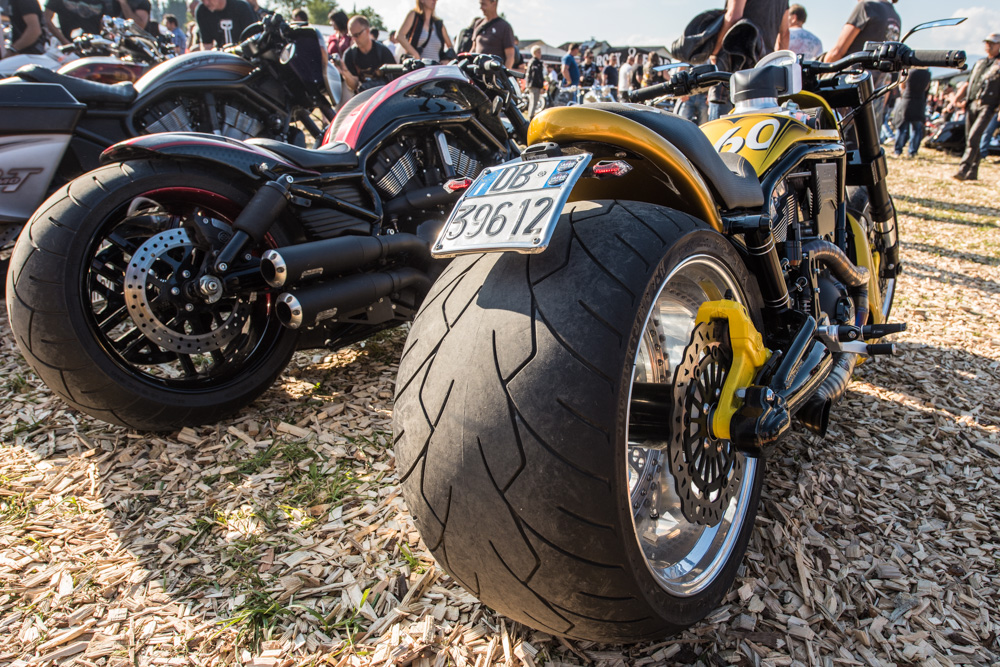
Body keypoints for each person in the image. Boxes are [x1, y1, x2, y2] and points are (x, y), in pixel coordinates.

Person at [707, 0, 790, 120]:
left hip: (732, 67)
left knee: (721, 127)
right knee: (759, 126)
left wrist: (714, 53)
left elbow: (733, 16)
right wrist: (775, 64)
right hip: (764, 74)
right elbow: (784, 34)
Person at [950, 33, 1000, 181]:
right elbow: (968, 83)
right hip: (971, 103)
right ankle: (973, 172)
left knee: (974, 136)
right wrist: (956, 99)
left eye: (992, 43)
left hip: (988, 105)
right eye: (987, 43)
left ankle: (963, 170)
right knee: (971, 138)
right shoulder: (980, 62)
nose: (989, 46)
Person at [335, 14, 396, 93]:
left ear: (367, 31)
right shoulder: (350, 55)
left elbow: (395, 80)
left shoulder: (382, 51)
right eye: (351, 36)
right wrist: (345, 72)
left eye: (357, 35)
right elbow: (353, 86)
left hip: (384, 94)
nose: (354, 39)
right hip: (364, 96)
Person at [892, 67, 930, 158]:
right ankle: (912, 152)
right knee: (916, 129)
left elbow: (902, 85)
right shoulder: (927, 73)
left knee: (902, 127)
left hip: (907, 99)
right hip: (919, 101)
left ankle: (898, 150)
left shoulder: (909, 71)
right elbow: (926, 88)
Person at [470, 0, 515, 68]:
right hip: (478, 71)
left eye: (484, 4)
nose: (481, 8)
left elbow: (510, 56)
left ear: (494, 2)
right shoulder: (478, 24)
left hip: (495, 72)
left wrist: (504, 73)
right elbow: (473, 48)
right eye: (480, 4)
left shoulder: (504, 26)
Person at [43, 0, 107, 45]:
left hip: (96, 45)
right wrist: (64, 41)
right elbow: (46, 19)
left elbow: (105, 22)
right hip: (70, 48)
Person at [525, 44, 545, 118]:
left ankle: (531, 115)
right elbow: (536, 75)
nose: (540, 54)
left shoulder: (533, 62)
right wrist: (541, 86)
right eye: (538, 52)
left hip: (532, 84)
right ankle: (531, 117)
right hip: (534, 85)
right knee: (534, 102)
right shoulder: (535, 62)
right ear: (534, 53)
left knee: (533, 101)